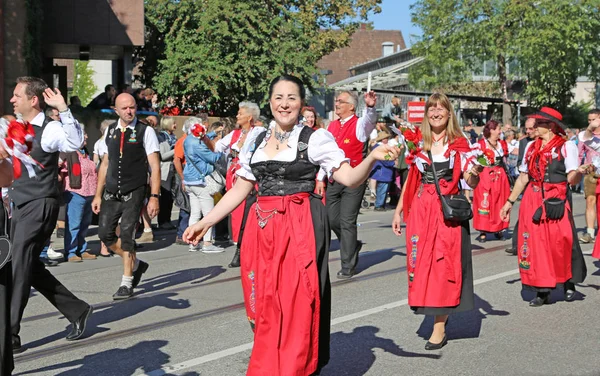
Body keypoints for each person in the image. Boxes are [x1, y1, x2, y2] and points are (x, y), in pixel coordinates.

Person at [183, 75, 399, 376]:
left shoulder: (315, 138)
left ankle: (294, 367)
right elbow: (240, 188)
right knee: (264, 301)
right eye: (279, 98)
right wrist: (206, 222)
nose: (285, 104)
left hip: (301, 225)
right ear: (270, 102)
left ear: (301, 103)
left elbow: (349, 178)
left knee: (298, 301)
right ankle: (271, 364)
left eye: (292, 98)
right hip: (263, 229)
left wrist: (373, 156)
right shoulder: (256, 140)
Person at [7, 77, 93, 354]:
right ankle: (77, 309)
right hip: (19, 204)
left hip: (39, 204)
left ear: (33, 100)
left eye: (17, 95)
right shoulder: (16, 128)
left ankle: (8, 334)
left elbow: (75, 142)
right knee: (27, 267)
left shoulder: (50, 128)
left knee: (17, 266)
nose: (12, 99)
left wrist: (64, 109)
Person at [392, 93, 482, 350]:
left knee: (444, 264)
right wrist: (399, 210)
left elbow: (470, 181)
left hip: (446, 212)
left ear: (449, 113)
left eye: (441, 109)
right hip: (422, 209)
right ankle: (429, 307)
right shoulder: (418, 142)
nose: (435, 113)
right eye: (431, 109)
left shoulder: (460, 144)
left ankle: (439, 325)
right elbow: (412, 178)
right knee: (422, 263)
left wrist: (474, 174)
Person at [500, 107, 588, 306]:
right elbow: (523, 177)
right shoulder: (531, 147)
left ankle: (568, 283)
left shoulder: (566, 147)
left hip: (555, 198)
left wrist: (579, 172)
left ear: (551, 126)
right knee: (535, 244)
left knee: (561, 241)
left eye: (539, 123)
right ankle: (543, 290)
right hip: (533, 198)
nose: (535, 126)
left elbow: (571, 178)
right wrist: (509, 202)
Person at [93, 93, 160, 300]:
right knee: (105, 234)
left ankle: (126, 281)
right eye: (125, 108)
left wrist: (155, 196)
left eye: (132, 107)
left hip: (135, 189)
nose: (129, 111)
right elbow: (105, 164)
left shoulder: (145, 131)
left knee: (128, 233)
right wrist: (97, 195)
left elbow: (155, 166)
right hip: (112, 191)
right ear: (116, 110)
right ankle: (135, 263)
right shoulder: (111, 131)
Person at [317, 90, 378, 279]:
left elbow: (369, 121)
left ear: (351, 106)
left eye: (340, 102)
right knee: (331, 218)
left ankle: (347, 266)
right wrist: (321, 177)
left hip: (354, 179)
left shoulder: (359, 124)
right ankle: (352, 245)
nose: (336, 104)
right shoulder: (331, 126)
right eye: (336, 101)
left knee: (347, 221)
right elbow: (325, 156)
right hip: (334, 178)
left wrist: (370, 107)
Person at [214, 101, 260, 244]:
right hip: (233, 175)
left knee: (250, 207)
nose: (237, 116)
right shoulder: (235, 134)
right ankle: (238, 241)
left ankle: (249, 238)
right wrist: (204, 136)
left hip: (250, 174)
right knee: (235, 207)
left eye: (240, 113)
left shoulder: (258, 132)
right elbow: (217, 148)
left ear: (250, 117)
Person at [183, 123, 224, 253]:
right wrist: (224, 150)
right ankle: (207, 243)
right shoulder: (198, 145)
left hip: (190, 181)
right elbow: (213, 158)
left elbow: (201, 136)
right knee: (208, 214)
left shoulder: (188, 139)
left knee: (195, 213)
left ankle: (193, 242)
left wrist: (214, 133)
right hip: (201, 181)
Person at [60, 133, 98, 262]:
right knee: (74, 224)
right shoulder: (69, 152)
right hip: (75, 192)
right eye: (83, 135)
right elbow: (60, 169)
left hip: (90, 192)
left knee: (85, 224)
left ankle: (81, 249)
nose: (86, 137)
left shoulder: (86, 153)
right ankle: (71, 252)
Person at [472, 120, 511, 243]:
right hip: (485, 176)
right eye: (498, 129)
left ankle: (499, 229)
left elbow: (510, 155)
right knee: (484, 201)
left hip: (500, 177)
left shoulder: (503, 144)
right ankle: (483, 230)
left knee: (500, 202)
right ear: (492, 130)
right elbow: (473, 159)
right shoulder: (480, 145)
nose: (500, 131)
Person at [505, 117, 537, 256]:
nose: (528, 131)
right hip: (527, 181)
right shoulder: (524, 142)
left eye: (531, 129)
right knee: (524, 214)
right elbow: (520, 162)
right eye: (526, 129)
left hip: (543, 185)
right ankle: (516, 244)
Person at [577, 109, 600, 244]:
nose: (592, 122)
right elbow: (580, 154)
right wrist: (578, 171)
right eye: (589, 120)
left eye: (594, 119)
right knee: (590, 201)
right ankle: (590, 232)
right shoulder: (585, 135)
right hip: (590, 172)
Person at [156, 117, 177, 230]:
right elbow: (162, 156)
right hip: (165, 170)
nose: (175, 124)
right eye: (173, 123)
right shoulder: (161, 138)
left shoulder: (173, 137)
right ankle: (162, 221)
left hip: (173, 170)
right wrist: (176, 149)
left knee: (170, 197)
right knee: (164, 197)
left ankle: (167, 220)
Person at [369, 131, 395, 211]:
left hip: (384, 171)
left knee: (383, 189)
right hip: (383, 171)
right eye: (386, 138)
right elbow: (385, 159)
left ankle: (381, 204)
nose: (387, 139)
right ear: (383, 139)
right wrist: (393, 161)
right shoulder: (379, 148)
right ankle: (379, 205)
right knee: (382, 189)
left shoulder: (379, 147)